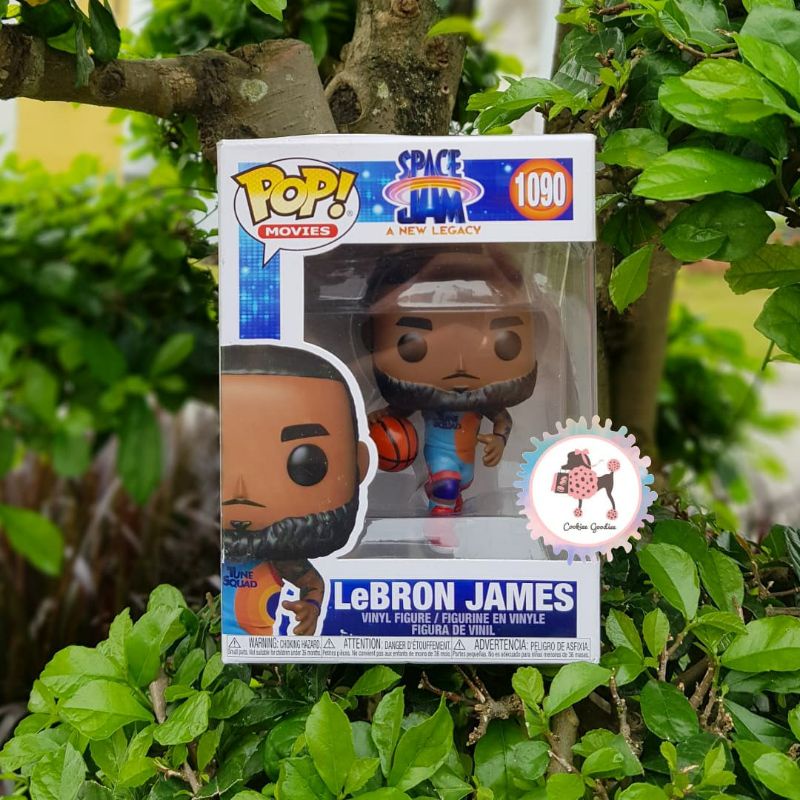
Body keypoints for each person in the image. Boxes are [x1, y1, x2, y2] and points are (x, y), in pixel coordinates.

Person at [365, 245, 537, 515]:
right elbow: (401, 410)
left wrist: (499, 440)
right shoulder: (428, 398)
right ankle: (440, 523)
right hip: (439, 456)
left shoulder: (479, 401)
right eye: (414, 345)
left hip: (467, 464)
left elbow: (503, 418)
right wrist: (381, 416)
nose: (459, 366)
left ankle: (448, 506)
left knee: (459, 485)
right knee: (446, 487)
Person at [221, 344, 371, 635]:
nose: (241, 490)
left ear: (358, 465)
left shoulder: (283, 560)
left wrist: (311, 608)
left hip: (255, 651)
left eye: (305, 463)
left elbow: (312, 583)